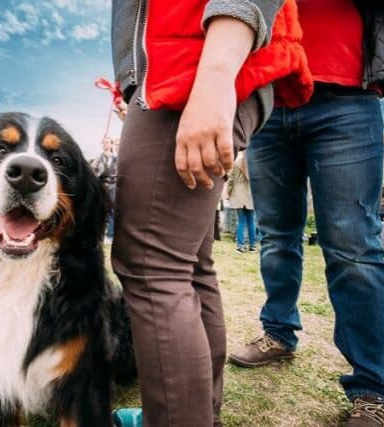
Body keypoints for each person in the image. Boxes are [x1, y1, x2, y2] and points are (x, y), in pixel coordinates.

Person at [109, 0, 312, 425]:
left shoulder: (203, 69)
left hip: (192, 66)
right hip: (187, 68)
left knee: (153, 267)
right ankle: (199, 414)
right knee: (187, 266)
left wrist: (216, 74)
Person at [229, 2, 384, 425]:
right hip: (269, 99)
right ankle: (278, 332)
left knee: (354, 245)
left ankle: (374, 387)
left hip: (347, 98)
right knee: (276, 236)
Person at [226, 149, 256, 252]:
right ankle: (252, 246)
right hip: (251, 195)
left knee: (241, 221)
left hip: (238, 194)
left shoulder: (236, 162)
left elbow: (230, 180)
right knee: (252, 221)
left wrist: (228, 193)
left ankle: (240, 246)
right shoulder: (254, 162)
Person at [93, 137, 117, 240]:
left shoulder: (116, 158)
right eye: (104, 143)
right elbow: (93, 171)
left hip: (113, 186)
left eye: (107, 143)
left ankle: (110, 235)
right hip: (101, 186)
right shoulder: (98, 159)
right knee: (101, 210)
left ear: (111, 145)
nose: (105, 144)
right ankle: (100, 234)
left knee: (113, 210)